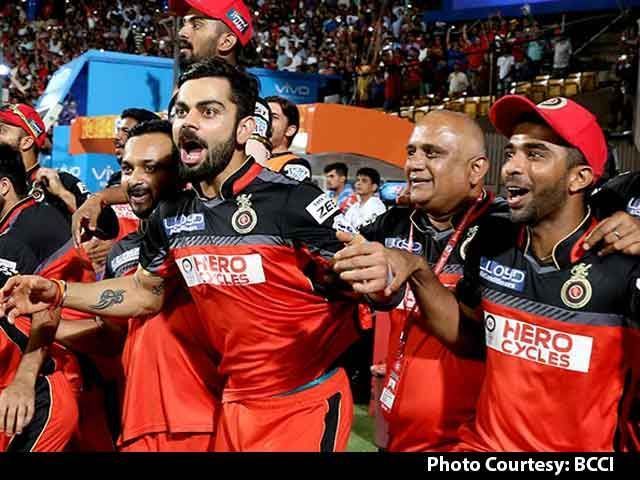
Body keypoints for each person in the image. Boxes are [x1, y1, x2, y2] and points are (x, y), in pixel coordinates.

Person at [1, 59, 359, 452]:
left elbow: (368, 282)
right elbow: (144, 291)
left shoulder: (292, 201)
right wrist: (58, 291)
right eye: (181, 111)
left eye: (208, 111)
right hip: (233, 404)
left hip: (300, 402)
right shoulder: (172, 217)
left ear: (244, 129)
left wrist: (389, 270)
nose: (189, 121)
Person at [334, 96, 640, 451]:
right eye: (511, 153)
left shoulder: (622, 263)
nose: (511, 166)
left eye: (535, 154)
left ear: (579, 177)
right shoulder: (493, 240)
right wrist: (417, 270)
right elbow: (467, 335)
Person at [55, 120, 221, 452]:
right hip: (137, 422)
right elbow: (112, 336)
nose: (135, 180)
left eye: (151, 167)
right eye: (127, 169)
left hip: (202, 420)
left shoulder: (211, 233)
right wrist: (36, 326)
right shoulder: (122, 249)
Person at [0, 145, 83, 452]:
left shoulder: (28, 232)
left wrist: (24, 379)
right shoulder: (18, 228)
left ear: (4, 186)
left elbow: (47, 309)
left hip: (52, 373)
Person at [0, 103, 89, 223]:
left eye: (2, 130)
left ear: (26, 142)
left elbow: (101, 227)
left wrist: (62, 194)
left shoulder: (60, 182)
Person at [264, 96, 312, 182]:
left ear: (289, 130)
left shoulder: (295, 165)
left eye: (273, 117)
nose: (265, 120)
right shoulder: (245, 159)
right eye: (263, 115)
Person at [344, 167, 386, 231]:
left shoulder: (378, 206)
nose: (359, 183)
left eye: (364, 181)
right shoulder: (354, 207)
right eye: (358, 180)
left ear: (374, 187)